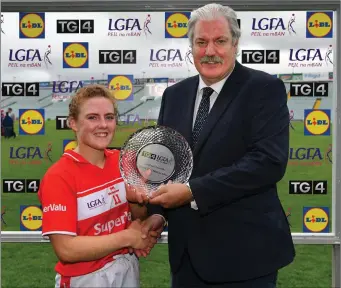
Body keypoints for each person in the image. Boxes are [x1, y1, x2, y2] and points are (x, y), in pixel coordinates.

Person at [138, 3, 295, 287]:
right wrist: (158, 216)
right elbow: (165, 164)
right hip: (185, 258)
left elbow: (268, 162)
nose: (210, 51)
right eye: (201, 42)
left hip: (246, 258)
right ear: (191, 47)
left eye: (220, 41)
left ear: (235, 44)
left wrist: (190, 191)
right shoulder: (174, 95)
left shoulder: (264, 89)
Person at [37, 84, 158, 288]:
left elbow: (138, 216)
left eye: (109, 117)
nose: (103, 125)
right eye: (92, 117)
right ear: (73, 123)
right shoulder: (59, 176)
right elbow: (66, 249)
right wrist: (127, 237)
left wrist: (135, 201)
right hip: (86, 277)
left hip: (127, 267)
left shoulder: (123, 161)